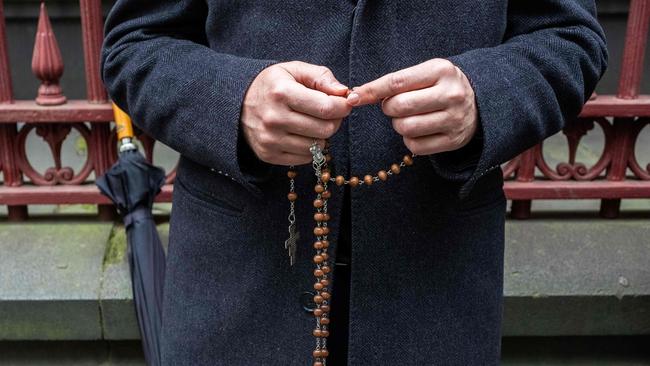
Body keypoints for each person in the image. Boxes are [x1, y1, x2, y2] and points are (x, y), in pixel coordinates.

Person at [100, 1, 608, 365]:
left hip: (435, 286)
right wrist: (234, 101)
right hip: (238, 283)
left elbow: (571, 38)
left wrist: (485, 94)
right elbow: (134, 44)